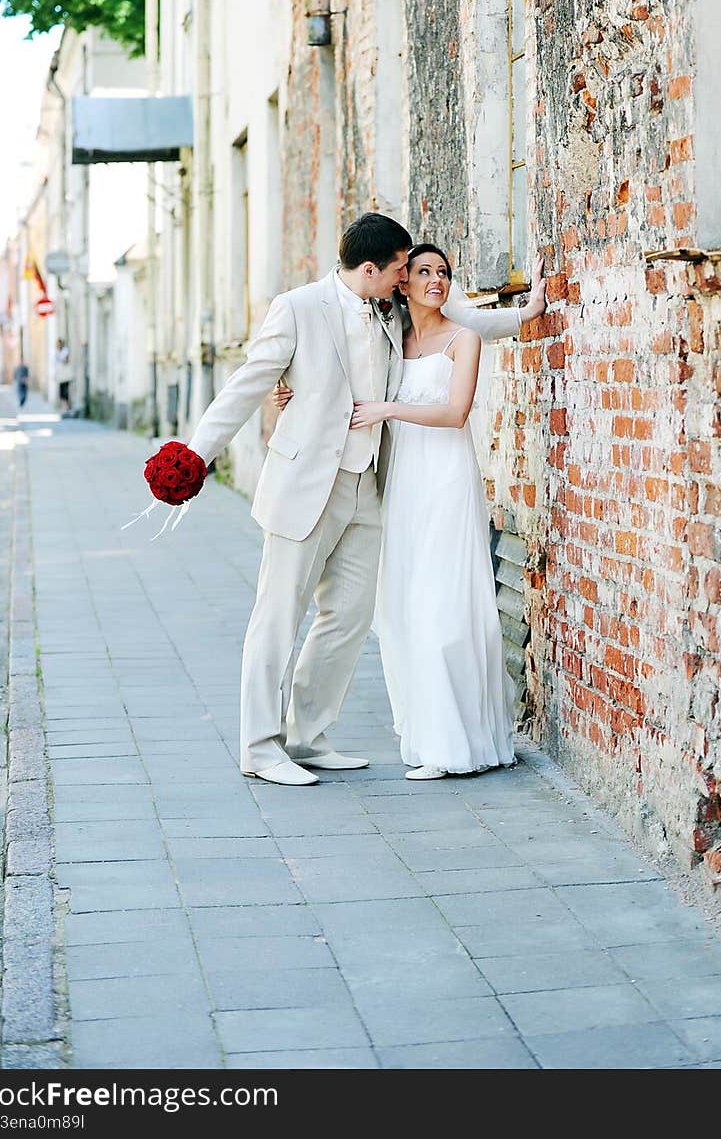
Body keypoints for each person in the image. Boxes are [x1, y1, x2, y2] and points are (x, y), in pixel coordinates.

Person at [185, 211, 544, 787]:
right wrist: (196, 454)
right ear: (373, 269)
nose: (408, 280)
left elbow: (460, 320)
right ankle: (261, 746)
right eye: (402, 269)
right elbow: (248, 382)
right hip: (304, 488)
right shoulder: (298, 307)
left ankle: (307, 735)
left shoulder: (390, 312)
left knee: (348, 619)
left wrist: (522, 315)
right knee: (278, 617)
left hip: (369, 487)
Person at [350, 244, 516, 779]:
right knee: (402, 605)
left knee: (442, 605)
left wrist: (388, 408)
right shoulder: (392, 341)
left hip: (446, 481)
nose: (436, 280)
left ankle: (456, 745)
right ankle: (427, 734)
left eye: (443, 272)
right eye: (423, 272)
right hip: (404, 483)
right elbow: (350, 383)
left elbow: (455, 412)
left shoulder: (463, 339)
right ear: (403, 283)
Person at [55, 339, 71, 413]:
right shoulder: (57, 351)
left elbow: (66, 360)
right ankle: (63, 405)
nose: (58, 346)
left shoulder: (65, 351)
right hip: (60, 374)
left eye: (59, 344)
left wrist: (62, 359)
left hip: (66, 374)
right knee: (61, 390)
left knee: (65, 390)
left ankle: (66, 406)